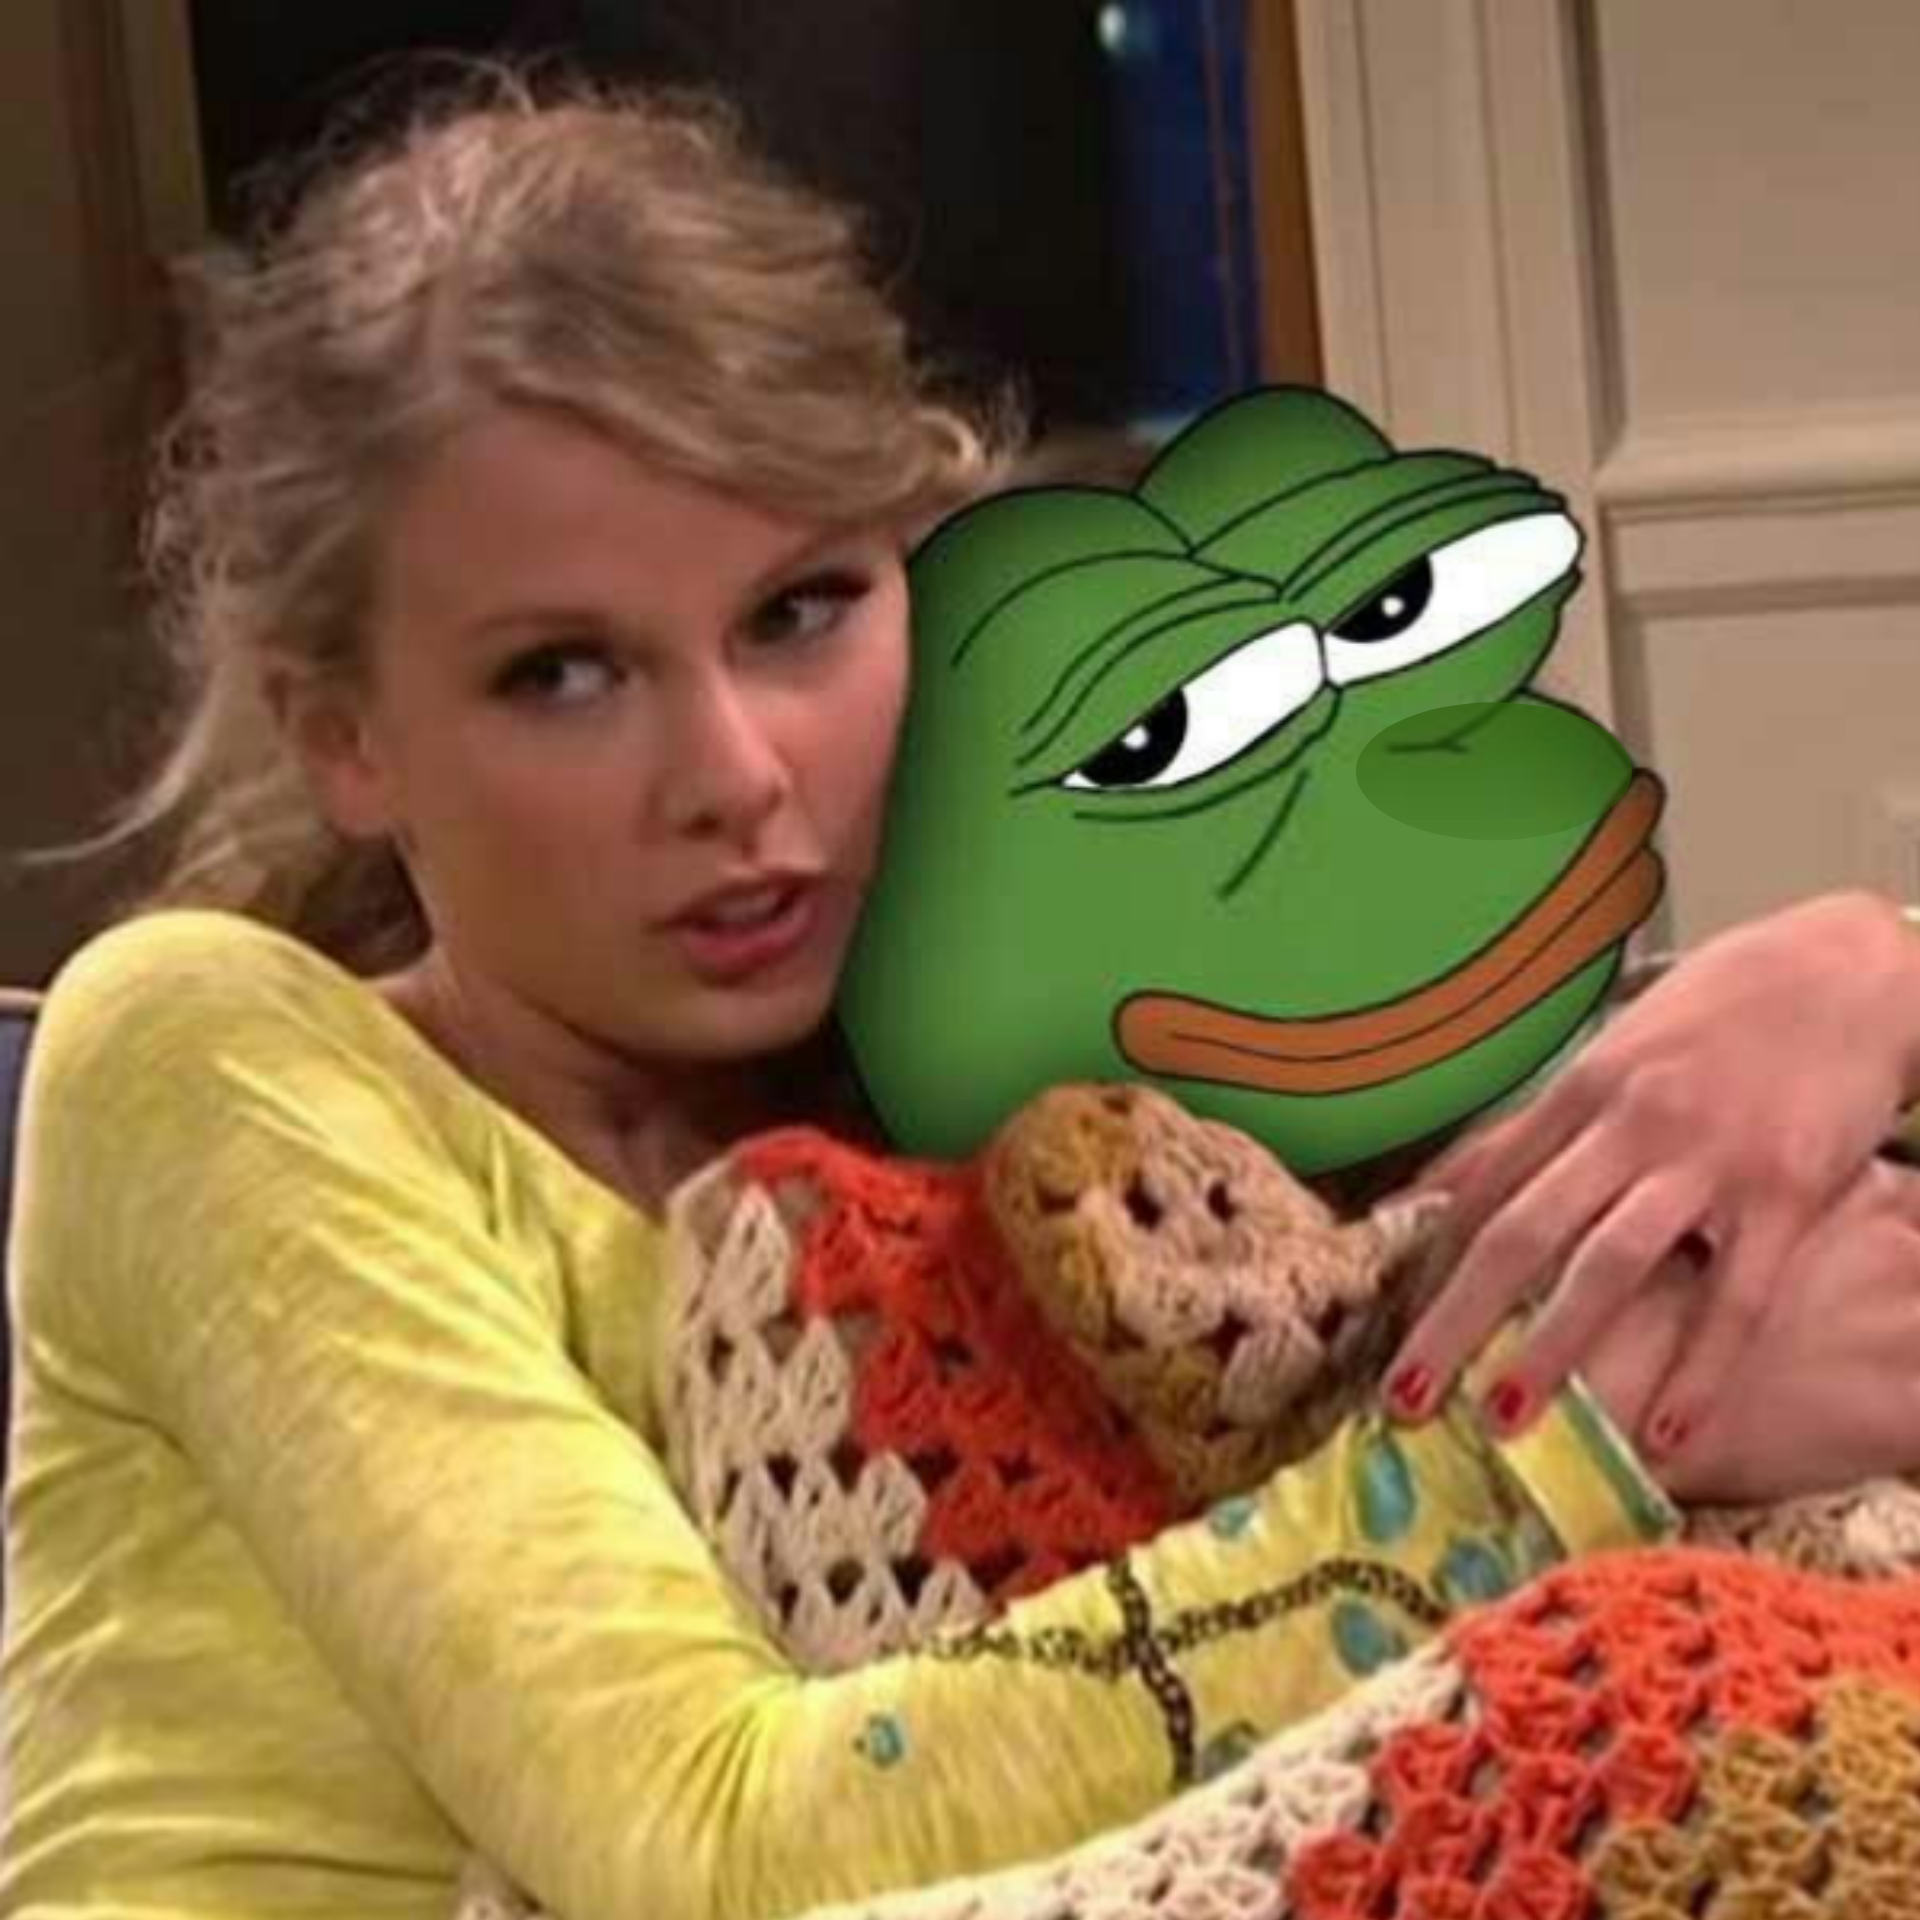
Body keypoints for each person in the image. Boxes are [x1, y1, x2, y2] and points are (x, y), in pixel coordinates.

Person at [7, 70, 1920, 1920]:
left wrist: (1864, 972)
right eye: (564, 675)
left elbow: (1441, 1208)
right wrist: (1592, 1435)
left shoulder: (956, 1033)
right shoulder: (200, 1054)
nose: (738, 777)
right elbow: (715, 1852)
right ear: (344, 736)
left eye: (801, 612)